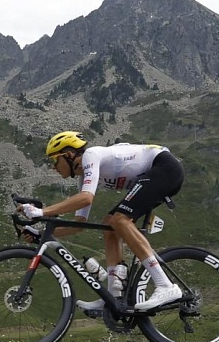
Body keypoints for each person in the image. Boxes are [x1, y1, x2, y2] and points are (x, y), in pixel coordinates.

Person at [17, 131, 185, 311]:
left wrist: (41, 211)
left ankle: (165, 285)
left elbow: (86, 199)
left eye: (54, 160)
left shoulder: (91, 156)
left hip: (164, 167)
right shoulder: (83, 177)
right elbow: (79, 223)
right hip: (152, 176)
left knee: (120, 220)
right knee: (109, 225)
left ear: (69, 154)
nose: (53, 167)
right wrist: (42, 235)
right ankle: (114, 297)